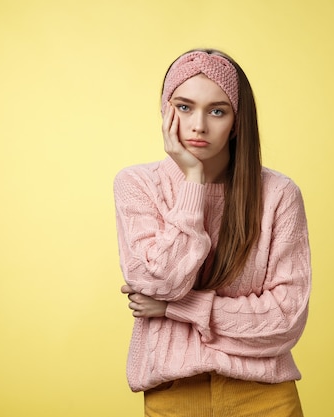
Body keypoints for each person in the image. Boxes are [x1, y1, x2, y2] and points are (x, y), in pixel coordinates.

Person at [113, 48, 311, 417]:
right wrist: (193, 180)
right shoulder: (137, 184)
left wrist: (179, 308)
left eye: (217, 111)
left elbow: (285, 319)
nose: (198, 125)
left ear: (236, 122)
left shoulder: (279, 195)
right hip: (176, 394)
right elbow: (159, 281)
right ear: (165, 110)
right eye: (184, 107)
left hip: (263, 396)